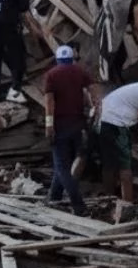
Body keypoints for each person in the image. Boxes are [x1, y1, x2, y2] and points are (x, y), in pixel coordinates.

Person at [43, 45, 100, 216]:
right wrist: (95, 107)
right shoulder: (80, 72)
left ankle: (78, 205)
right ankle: (54, 197)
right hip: (78, 125)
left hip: (60, 126)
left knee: (62, 167)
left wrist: (49, 125)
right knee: (63, 165)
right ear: (72, 58)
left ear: (57, 59)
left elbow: (49, 102)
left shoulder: (51, 75)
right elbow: (93, 90)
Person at [98, 65, 138, 202]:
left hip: (103, 122)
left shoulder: (136, 88)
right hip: (117, 125)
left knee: (109, 165)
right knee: (125, 167)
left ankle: (108, 200)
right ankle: (127, 203)